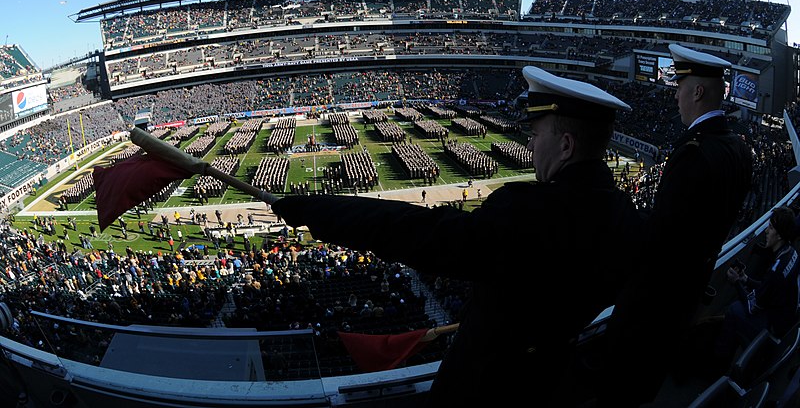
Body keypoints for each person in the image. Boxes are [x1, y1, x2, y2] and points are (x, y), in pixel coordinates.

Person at [271, 66, 644, 407]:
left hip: (494, 384)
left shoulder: (528, 210)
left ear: (566, 145)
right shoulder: (624, 213)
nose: (530, 145)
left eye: (535, 134)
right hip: (557, 377)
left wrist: (319, 212)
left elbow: (420, 233)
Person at [598, 44, 754, 406]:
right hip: (689, 294)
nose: (675, 98)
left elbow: (660, 242)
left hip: (654, 308)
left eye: (679, 88)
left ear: (697, 91)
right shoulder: (736, 148)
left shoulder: (694, 153)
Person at [713, 206, 800, 369]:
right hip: (785, 317)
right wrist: (745, 279)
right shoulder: (791, 253)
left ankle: (718, 364)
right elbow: (769, 290)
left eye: (771, 228)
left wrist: (736, 282)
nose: (766, 231)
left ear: (780, 235)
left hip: (774, 326)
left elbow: (752, 306)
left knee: (734, 310)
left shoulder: (776, 271)